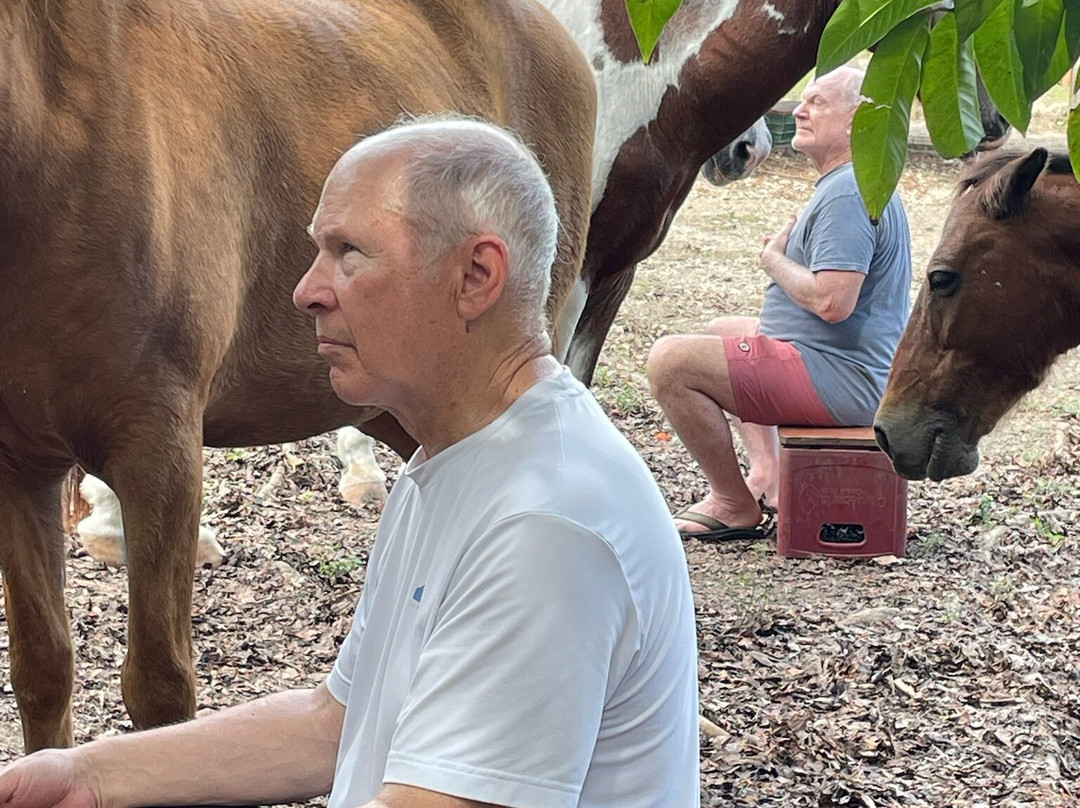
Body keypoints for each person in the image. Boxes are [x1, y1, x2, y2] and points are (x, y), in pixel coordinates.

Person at [0, 119, 700, 808]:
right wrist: (88, 776)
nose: (307, 290)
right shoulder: (457, 458)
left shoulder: (545, 526)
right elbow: (333, 725)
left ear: (476, 276)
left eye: (349, 252)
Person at [646, 66, 912, 542]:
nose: (800, 111)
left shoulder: (849, 191)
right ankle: (766, 475)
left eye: (819, 103)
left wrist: (772, 260)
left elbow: (833, 302)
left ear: (857, 121)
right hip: (834, 364)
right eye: (803, 100)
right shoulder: (849, 181)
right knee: (723, 330)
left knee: (671, 362)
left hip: (839, 379)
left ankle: (731, 504)